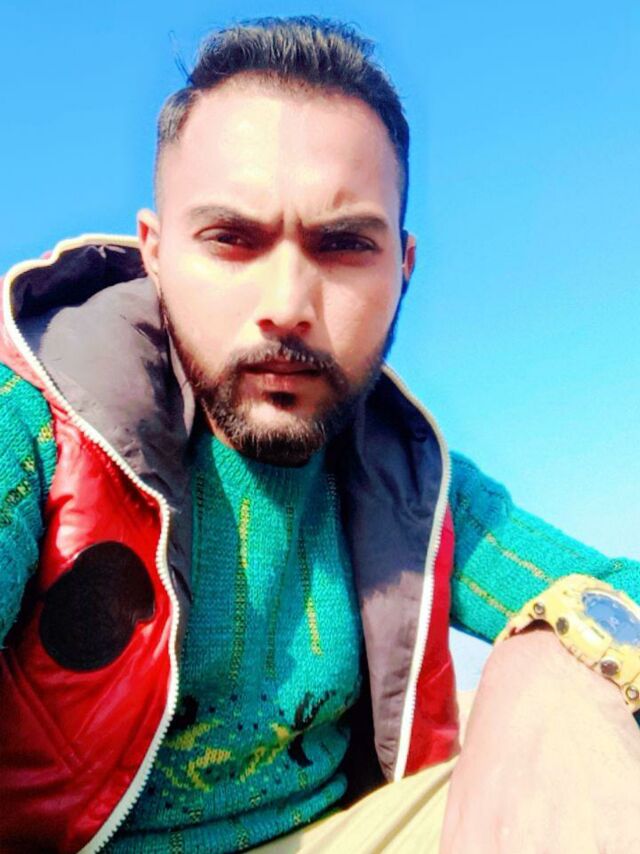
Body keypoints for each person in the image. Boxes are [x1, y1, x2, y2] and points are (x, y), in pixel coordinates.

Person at [1, 16, 640, 854]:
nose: (288, 305)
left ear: (401, 268)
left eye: (342, 246)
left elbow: (610, 589)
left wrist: (551, 660)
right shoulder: (37, 428)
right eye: (232, 240)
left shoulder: (413, 487)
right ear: (156, 253)